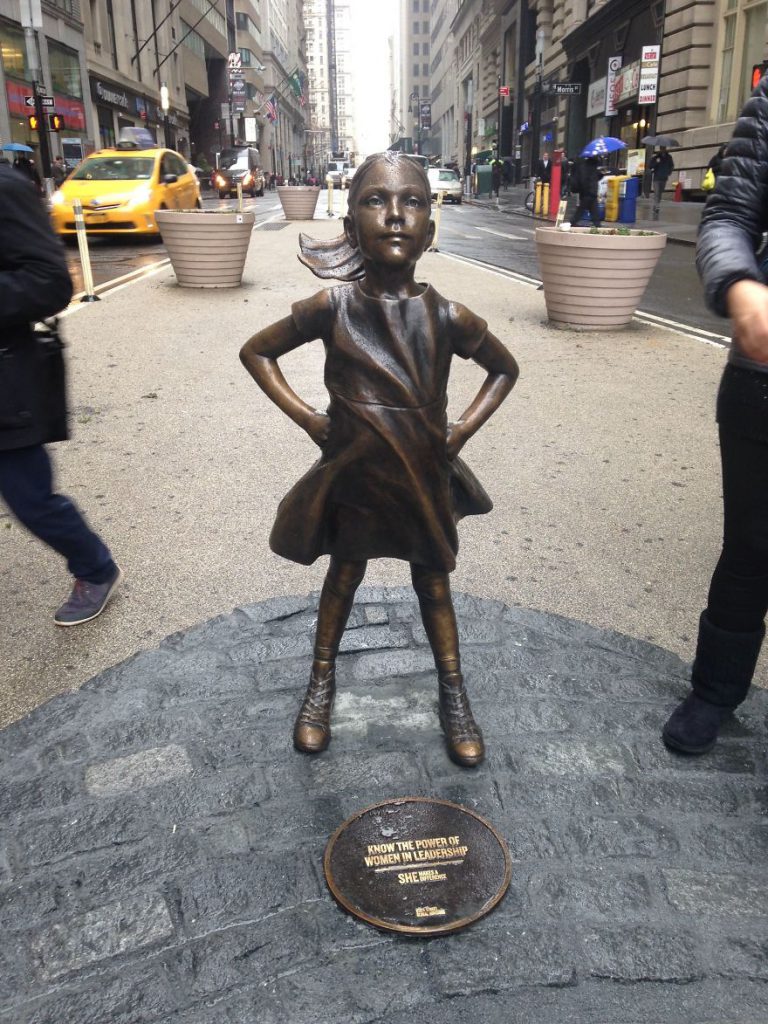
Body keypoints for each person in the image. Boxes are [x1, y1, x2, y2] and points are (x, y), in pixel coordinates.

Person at [240, 151, 519, 767]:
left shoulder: (447, 316)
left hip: (421, 472)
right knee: (343, 574)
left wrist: (459, 432)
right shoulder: (332, 308)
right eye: (375, 200)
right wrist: (314, 420)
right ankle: (320, 684)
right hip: (356, 473)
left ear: (431, 228)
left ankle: (454, 694)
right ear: (351, 224)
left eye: (413, 201)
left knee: (434, 583)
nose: (395, 215)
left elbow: (504, 369)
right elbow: (257, 352)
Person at [661, 79, 768, 755]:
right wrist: (741, 286)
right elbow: (728, 215)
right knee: (751, 548)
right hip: (763, 376)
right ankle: (715, 690)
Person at [0, 163, 121, 626]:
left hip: (6, 382)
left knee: (29, 496)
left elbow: (50, 282)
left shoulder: (6, 189)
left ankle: (95, 568)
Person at [569, 155, 603, 228]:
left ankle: (597, 225)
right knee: (585, 209)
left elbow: (595, 177)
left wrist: (601, 174)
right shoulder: (590, 167)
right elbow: (589, 179)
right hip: (589, 192)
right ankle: (572, 222)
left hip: (587, 193)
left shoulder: (587, 166)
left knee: (589, 210)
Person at [649, 145, 674, 219]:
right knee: (656, 193)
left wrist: (669, 172)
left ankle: (656, 204)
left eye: (664, 148)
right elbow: (650, 166)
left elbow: (671, 166)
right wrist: (656, 162)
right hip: (656, 178)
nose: (662, 149)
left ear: (665, 149)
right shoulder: (656, 157)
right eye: (661, 148)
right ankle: (657, 207)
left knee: (660, 193)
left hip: (664, 178)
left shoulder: (669, 157)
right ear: (660, 149)